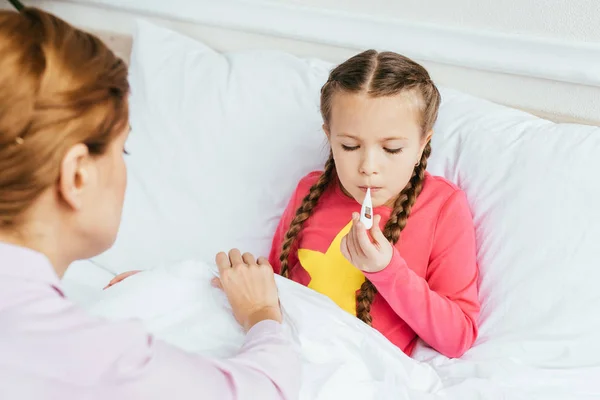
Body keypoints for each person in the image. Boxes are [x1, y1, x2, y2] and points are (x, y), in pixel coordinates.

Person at [0, 7, 299, 399]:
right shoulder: (92, 360)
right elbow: (263, 392)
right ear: (77, 175)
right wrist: (262, 315)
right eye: (121, 150)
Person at [267, 50, 481, 358]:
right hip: (285, 352)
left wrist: (386, 269)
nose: (368, 166)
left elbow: (457, 336)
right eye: (349, 146)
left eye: (391, 149)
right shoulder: (309, 190)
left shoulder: (443, 207)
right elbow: (273, 282)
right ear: (329, 138)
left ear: (422, 144)